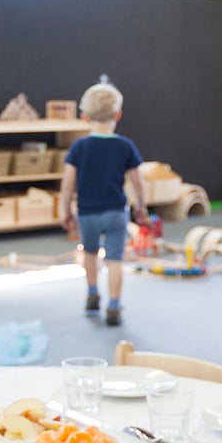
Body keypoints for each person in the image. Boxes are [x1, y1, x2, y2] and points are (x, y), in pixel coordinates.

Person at [58, 81, 149, 327]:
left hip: (88, 213)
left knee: (89, 254)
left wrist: (64, 210)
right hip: (116, 213)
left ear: (84, 116)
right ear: (117, 114)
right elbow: (138, 182)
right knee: (115, 260)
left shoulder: (79, 147)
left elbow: (68, 184)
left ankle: (92, 294)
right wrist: (142, 207)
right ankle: (114, 306)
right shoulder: (125, 145)